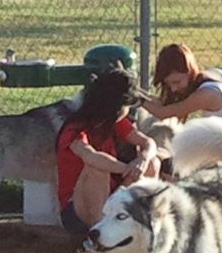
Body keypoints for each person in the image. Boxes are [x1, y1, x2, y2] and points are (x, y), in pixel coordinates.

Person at [57, 69, 159, 233]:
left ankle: (140, 224)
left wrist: (144, 159)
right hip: (78, 209)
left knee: (152, 163)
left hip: (110, 199)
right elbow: (92, 157)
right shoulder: (75, 129)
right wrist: (127, 169)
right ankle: (97, 234)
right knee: (98, 170)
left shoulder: (115, 122)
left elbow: (148, 142)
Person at [141, 43, 222, 162]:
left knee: (169, 167)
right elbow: (163, 105)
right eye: (168, 84)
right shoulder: (214, 75)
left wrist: (134, 98)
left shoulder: (206, 94)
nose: (173, 89)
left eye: (176, 82)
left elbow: (163, 113)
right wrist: (137, 93)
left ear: (190, 71)